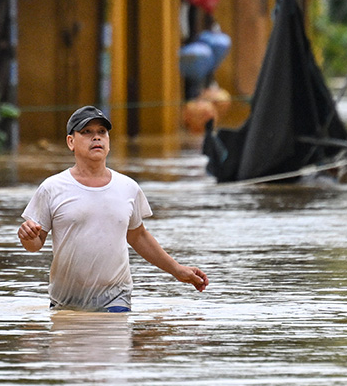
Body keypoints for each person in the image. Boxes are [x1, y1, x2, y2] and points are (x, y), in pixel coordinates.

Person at [19, 105, 209, 312]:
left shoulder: (128, 187)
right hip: (66, 299)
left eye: (102, 132)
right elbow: (36, 244)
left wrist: (178, 270)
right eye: (87, 132)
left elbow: (138, 236)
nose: (97, 138)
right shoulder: (52, 188)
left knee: (115, 338)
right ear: (70, 142)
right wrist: (27, 237)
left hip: (115, 297)